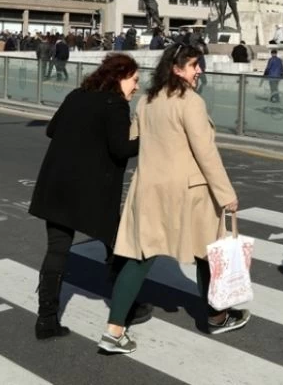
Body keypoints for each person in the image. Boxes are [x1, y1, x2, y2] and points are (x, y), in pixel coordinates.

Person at [100, 44, 245, 354]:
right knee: (208, 253)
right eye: (194, 65)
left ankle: (114, 330)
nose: (199, 70)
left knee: (139, 258)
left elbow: (132, 142)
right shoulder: (190, 102)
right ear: (177, 69)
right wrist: (226, 194)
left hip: (149, 189)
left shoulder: (146, 101)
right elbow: (205, 153)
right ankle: (217, 316)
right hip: (187, 193)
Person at [27, 54, 149, 340]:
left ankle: (46, 319)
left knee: (57, 249)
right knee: (118, 246)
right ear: (120, 77)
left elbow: (52, 129)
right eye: (134, 80)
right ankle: (126, 308)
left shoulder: (77, 95)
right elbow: (121, 149)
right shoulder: (115, 104)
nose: (137, 87)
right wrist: (149, 138)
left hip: (56, 185)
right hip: (92, 192)